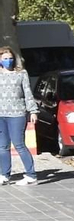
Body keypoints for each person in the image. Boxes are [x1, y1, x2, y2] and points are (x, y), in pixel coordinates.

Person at [0, 45, 39, 187]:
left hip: (17, 114)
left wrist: (33, 111)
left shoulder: (21, 74)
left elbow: (28, 93)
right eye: (5, 59)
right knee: (2, 146)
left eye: (10, 58)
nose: (8, 61)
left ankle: (31, 175)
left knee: (19, 144)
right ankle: (4, 175)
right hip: (1, 114)